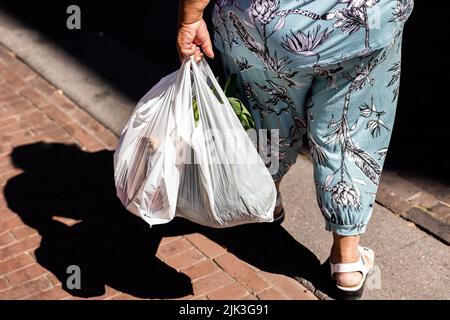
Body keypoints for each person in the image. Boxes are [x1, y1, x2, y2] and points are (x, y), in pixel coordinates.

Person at [177, 0, 413, 299]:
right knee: (351, 128)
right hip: (364, 22)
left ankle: (264, 195)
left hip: (264, 24)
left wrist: (191, 16)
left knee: (266, 113)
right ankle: (347, 261)